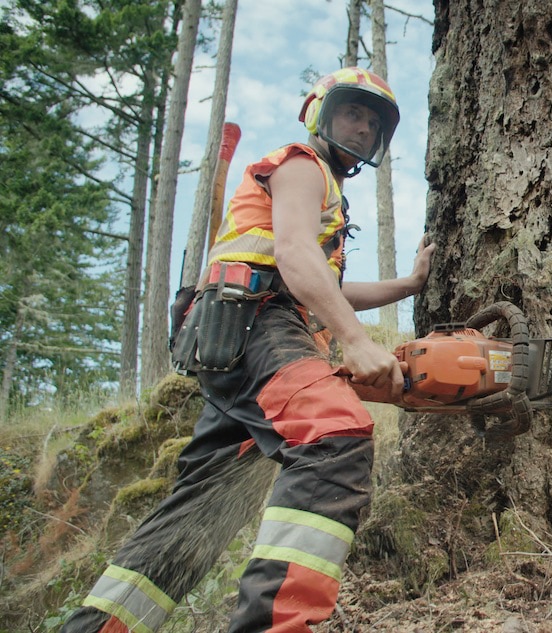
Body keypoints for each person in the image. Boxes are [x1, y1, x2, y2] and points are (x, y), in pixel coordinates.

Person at [61, 67, 435, 633]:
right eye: (353, 113)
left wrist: (406, 287)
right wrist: (355, 343)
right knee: (333, 433)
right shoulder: (301, 166)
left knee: (198, 510)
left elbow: (321, 284)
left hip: (237, 338)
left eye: (373, 123)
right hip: (257, 322)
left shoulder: (324, 194)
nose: (362, 128)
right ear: (320, 113)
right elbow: (292, 256)